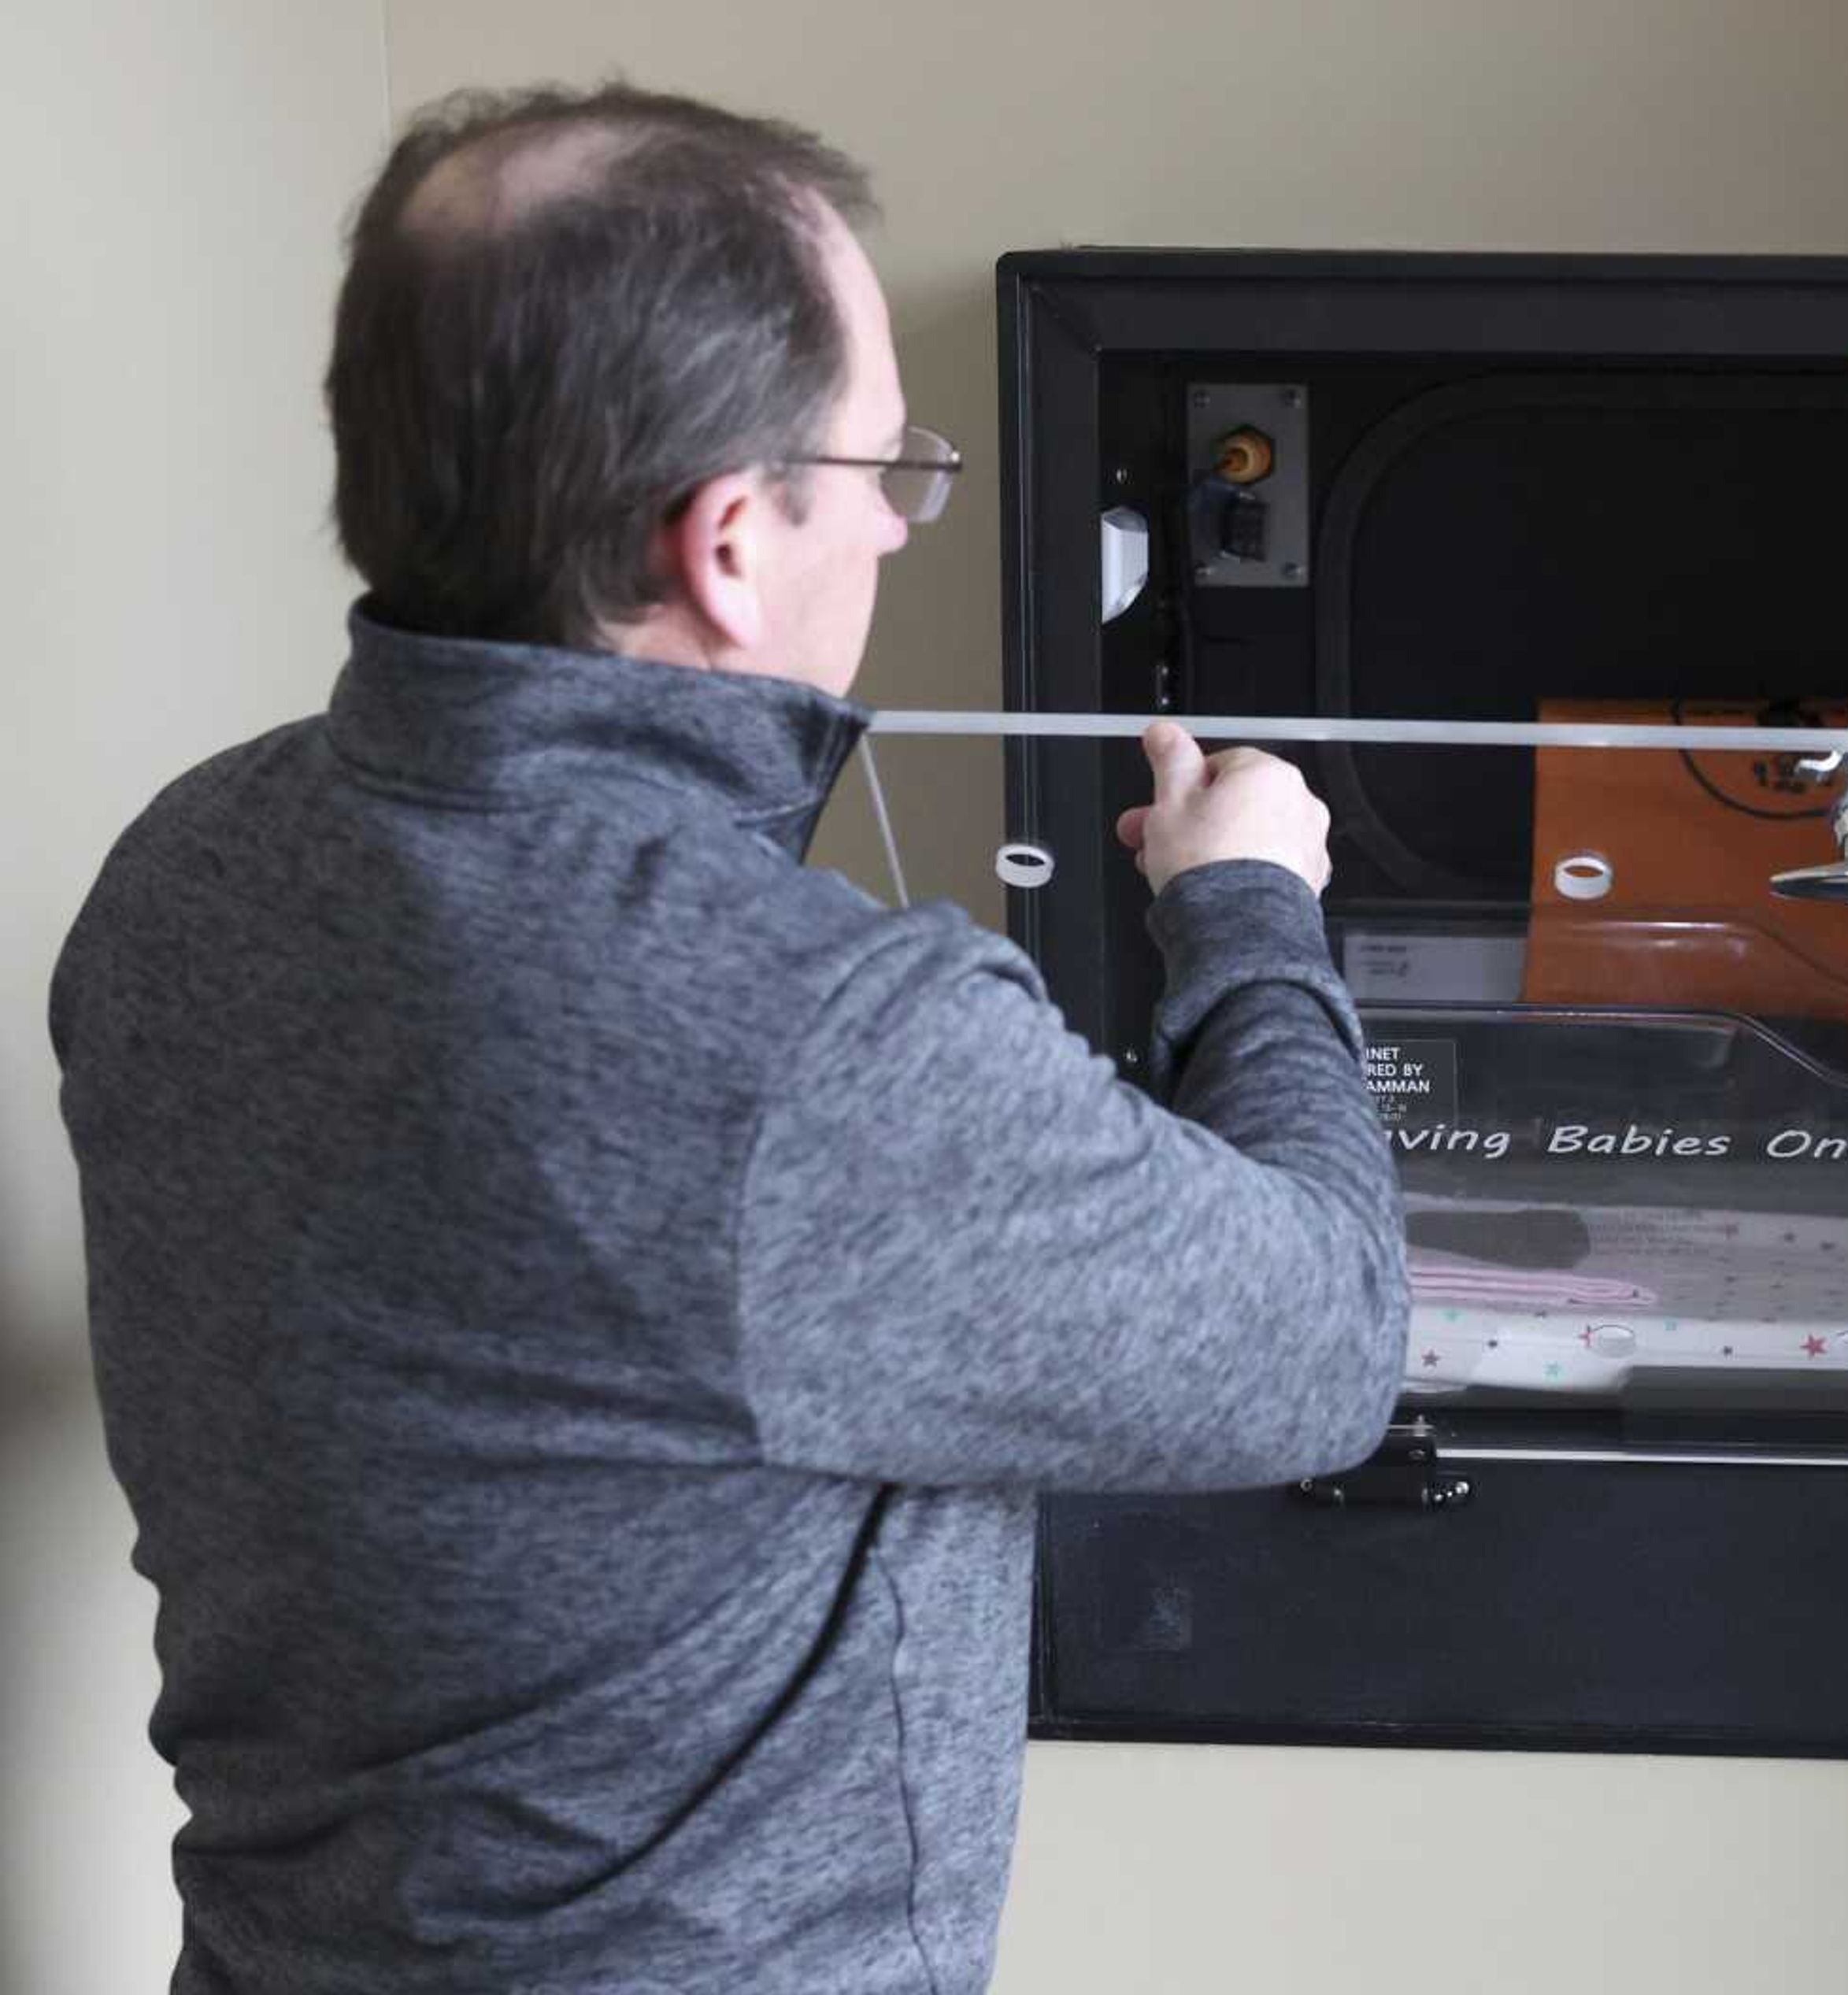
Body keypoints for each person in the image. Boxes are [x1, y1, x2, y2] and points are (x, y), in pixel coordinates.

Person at [49, 83, 1406, 1994]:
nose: (902, 529)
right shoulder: (814, 1041)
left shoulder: (189, 867)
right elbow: (1328, 1337)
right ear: (729, 546)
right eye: (884, 473)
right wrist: (1251, 908)